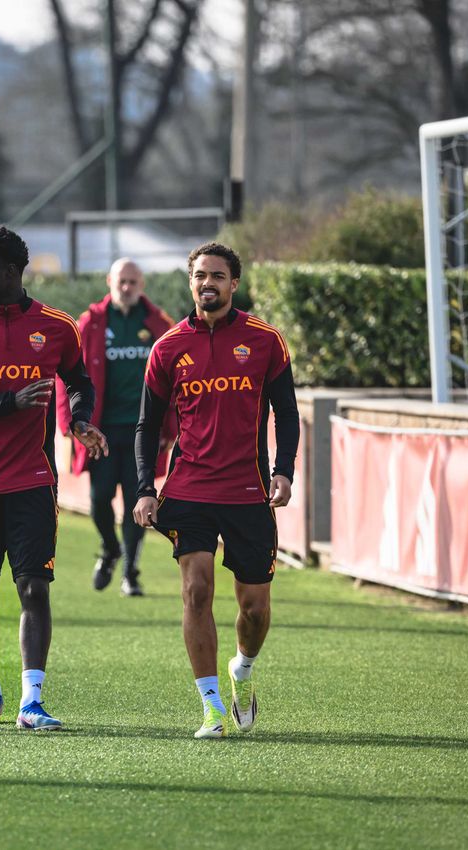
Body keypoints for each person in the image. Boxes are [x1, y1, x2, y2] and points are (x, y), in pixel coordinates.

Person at [0, 226, 108, 730]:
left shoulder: (56, 327)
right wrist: (7, 403)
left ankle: (31, 702)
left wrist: (79, 420)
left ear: (12, 273)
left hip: (33, 479)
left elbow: (79, 381)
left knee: (34, 588)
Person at [132, 242, 299, 739]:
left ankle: (241, 671)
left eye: (218, 276)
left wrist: (283, 470)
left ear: (234, 284)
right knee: (196, 589)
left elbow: (286, 415)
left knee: (254, 608)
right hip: (189, 489)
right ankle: (211, 709)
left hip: (248, 492)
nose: (209, 283)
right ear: (190, 283)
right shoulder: (166, 348)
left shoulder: (266, 341)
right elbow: (146, 426)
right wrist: (146, 487)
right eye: (200, 275)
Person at [56, 257, 174, 596]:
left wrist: (170, 427)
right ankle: (110, 548)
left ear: (142, 285)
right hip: (101, 432)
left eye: (132, 282)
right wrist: (72, 423)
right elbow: (67, 376)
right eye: (121, 281)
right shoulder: (90, 324)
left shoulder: (158, 325)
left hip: (144, 431)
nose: (126, 288)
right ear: (109, 281)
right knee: (99, 499)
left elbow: (176, 381)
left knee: (140, 501)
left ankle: (130, 572)